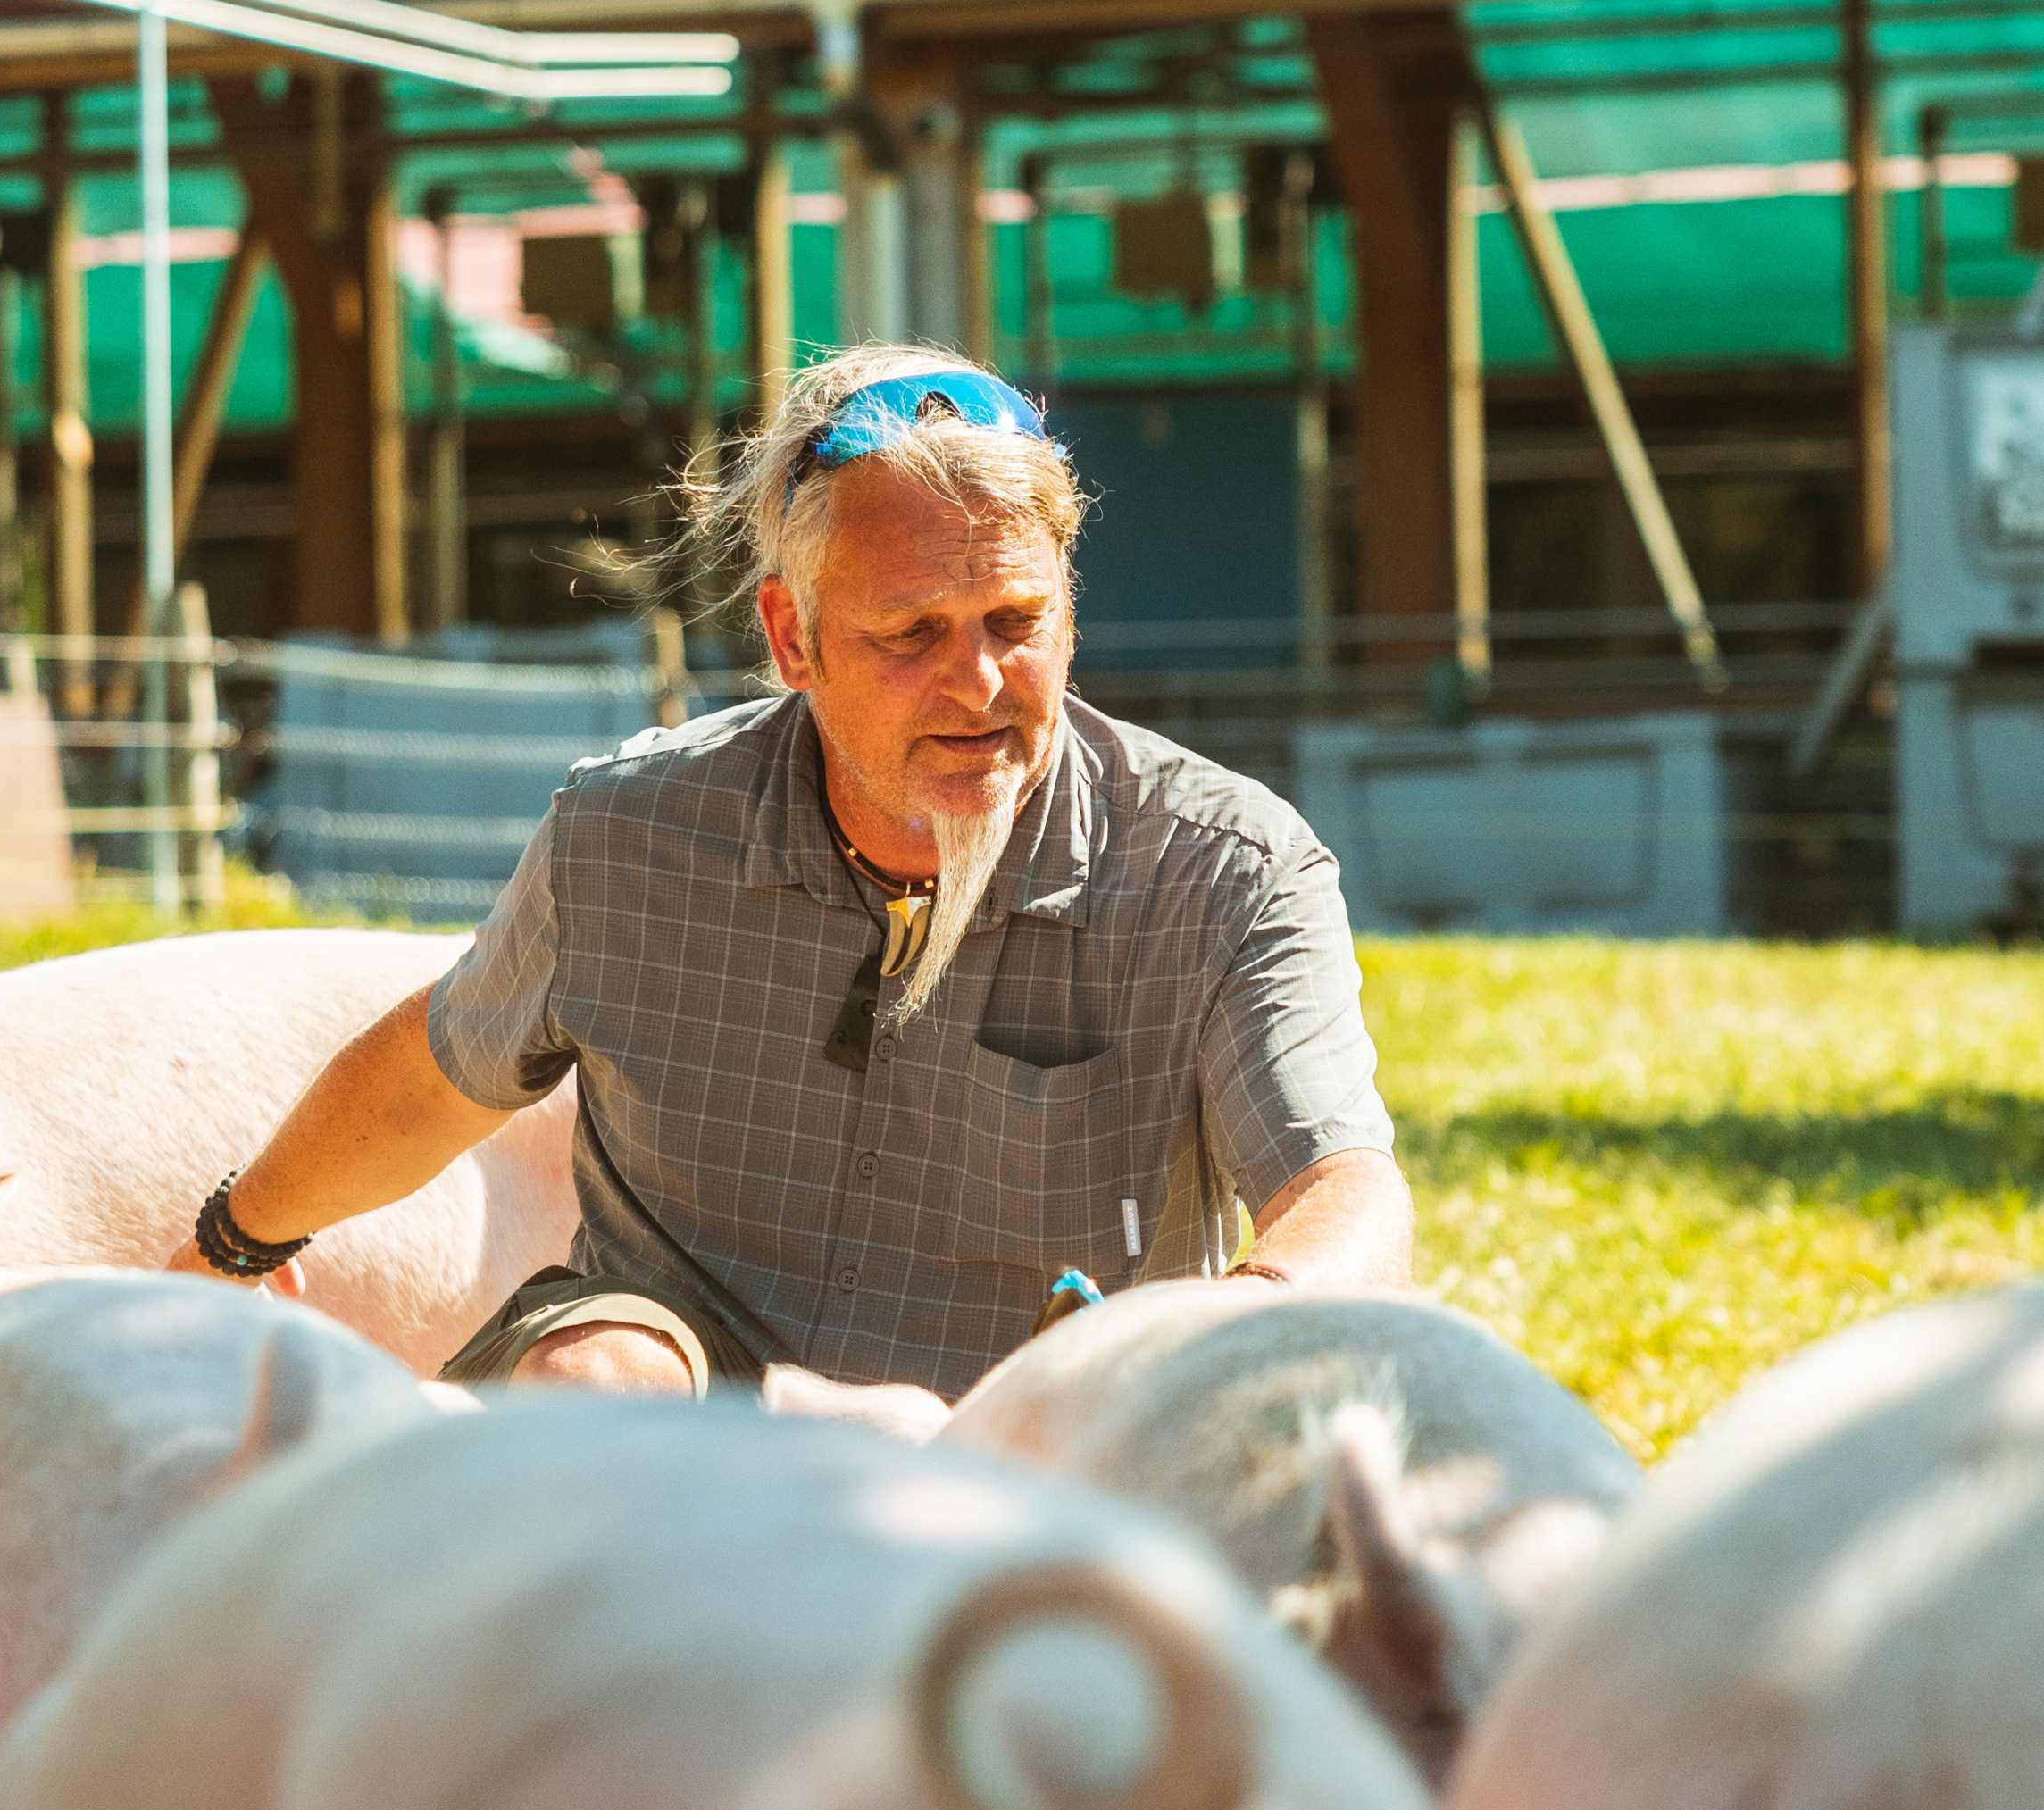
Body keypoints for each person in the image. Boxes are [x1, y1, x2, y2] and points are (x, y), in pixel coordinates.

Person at [175, 346, 1411, 1417]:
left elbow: (1343, 1187)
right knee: (594, 1374)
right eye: (910, 633)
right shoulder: (627, 833)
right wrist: (232, 1242)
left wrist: (1219, 1324)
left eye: (1013, 620)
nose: (978, 682)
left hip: (1042, 1410)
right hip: (682, 1390)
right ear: (789, 638)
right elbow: (435, 1077)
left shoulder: (1225, 869)